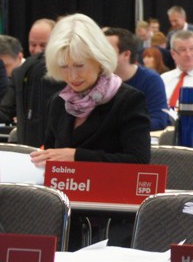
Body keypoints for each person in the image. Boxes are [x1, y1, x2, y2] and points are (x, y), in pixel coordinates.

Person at [30, 14, 150, 165]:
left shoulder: (128, 101)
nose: (72, 76)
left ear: (99, 60)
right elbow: (51, 156)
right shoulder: (58, 102)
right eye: (64, 67)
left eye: (79, 66)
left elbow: (139, 162)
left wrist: (77, 156)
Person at [0, 19, 63, 147]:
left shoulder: (68, 73)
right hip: (30, 149)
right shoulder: (20, 72)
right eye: (33, 45)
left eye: (43, 45)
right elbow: (5, 111)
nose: (37, 50)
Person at [104, 27, 170, 131]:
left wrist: (120, 126)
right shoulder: (99, 78)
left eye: (107, 50)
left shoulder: (150, 80)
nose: (102, 55)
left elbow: (159, 121)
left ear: (126, 54)